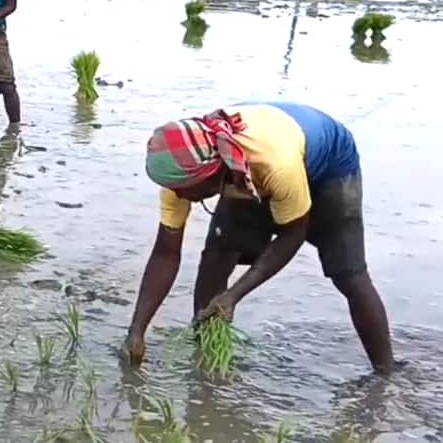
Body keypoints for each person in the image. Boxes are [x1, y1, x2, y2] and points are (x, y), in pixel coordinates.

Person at [123, 102, 394, 374]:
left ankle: (385, 373)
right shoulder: (180, 174)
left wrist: (233, 295)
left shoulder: (276, 164)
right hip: (252, 161)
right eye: (173, 189)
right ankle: (207, 364)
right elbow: (165, 253)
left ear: (212, 172)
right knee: (217, 255)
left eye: (183, 190)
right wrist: (137, 330)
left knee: (348, 272)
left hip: (328, 166)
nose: (178, 196)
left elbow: (293, 235)